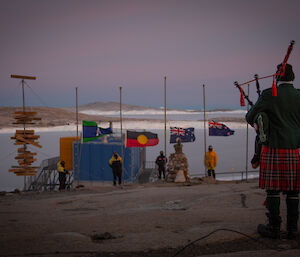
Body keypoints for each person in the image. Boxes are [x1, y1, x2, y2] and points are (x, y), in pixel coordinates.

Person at [246, 63, 300, 239]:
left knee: (273, 190)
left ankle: (274, 228)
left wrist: (261, 120)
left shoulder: (269, 94)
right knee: (293, 191)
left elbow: (250, 116)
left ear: (277, 77)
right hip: (293, 148)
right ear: (293, 78)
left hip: (273, 148)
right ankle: (292, 229)